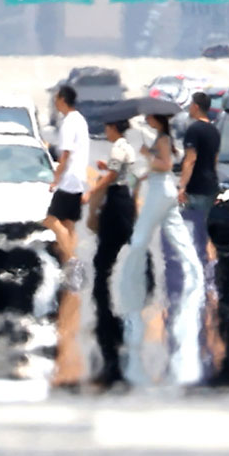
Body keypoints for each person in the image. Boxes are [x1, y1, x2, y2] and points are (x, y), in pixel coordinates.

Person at [117, 112, 204, 386]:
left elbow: (165, 164)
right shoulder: (163, 138)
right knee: (179, 236)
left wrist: (147, 154)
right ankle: (196, 271)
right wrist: (146, 167)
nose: (148, 120)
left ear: (157, 119)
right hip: (163, 188)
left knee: (140, 237)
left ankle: (130, 276)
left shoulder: (163, 139)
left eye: (150, 118)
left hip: (160, 190)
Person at [165, 92, 221, 377]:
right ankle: (211, 271)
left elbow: (190, 160)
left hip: (196, 187)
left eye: (190, 104)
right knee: (205, 229)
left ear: (196, 106)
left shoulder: (194, 130)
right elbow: (215, 160)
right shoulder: (214, 129)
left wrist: (181, 187)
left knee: (192, 231)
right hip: (211, 185)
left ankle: (199, 274)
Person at [85, 118, 137, 387]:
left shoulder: (118, 147)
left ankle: (105, 308)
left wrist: (93, 190)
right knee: (118, 248)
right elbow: (122, 172)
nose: (105, 131)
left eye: (107, 127)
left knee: (103, 259)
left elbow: (114, 176)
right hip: (124, 200)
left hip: (116, 202)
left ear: (114, 127)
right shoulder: (125, 146)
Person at [45, 86, 89, 386]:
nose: (55, 104)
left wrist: (55, 178)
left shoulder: (70, 122)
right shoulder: (81, 120)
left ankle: (72, 261)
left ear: (63, 100)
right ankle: (70, 265)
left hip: (69, 179)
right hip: (79, 179)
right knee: (69, 225)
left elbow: (67, 154)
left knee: (51, 220)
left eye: (56, 100)